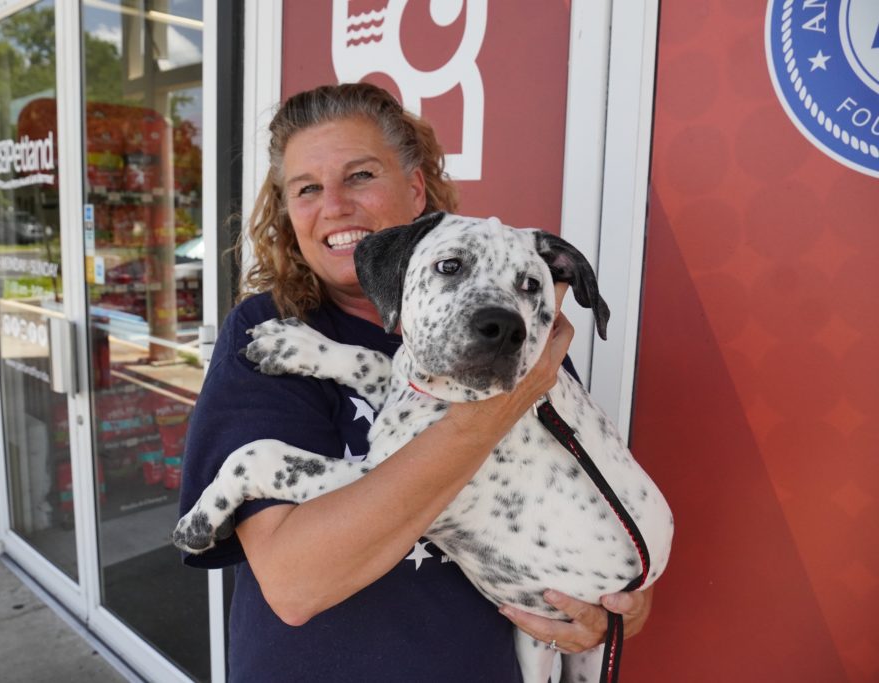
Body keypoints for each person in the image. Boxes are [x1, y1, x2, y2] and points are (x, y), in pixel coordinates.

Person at [178, 82, 652, 681]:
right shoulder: (270, 332)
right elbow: (297, 584)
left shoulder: (513, 328)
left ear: (416, 187)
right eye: (306, 189)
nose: (334, 206)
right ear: (287, 211)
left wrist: (610, 614)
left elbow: (608, 536)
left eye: (360, 176)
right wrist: (487, 416)